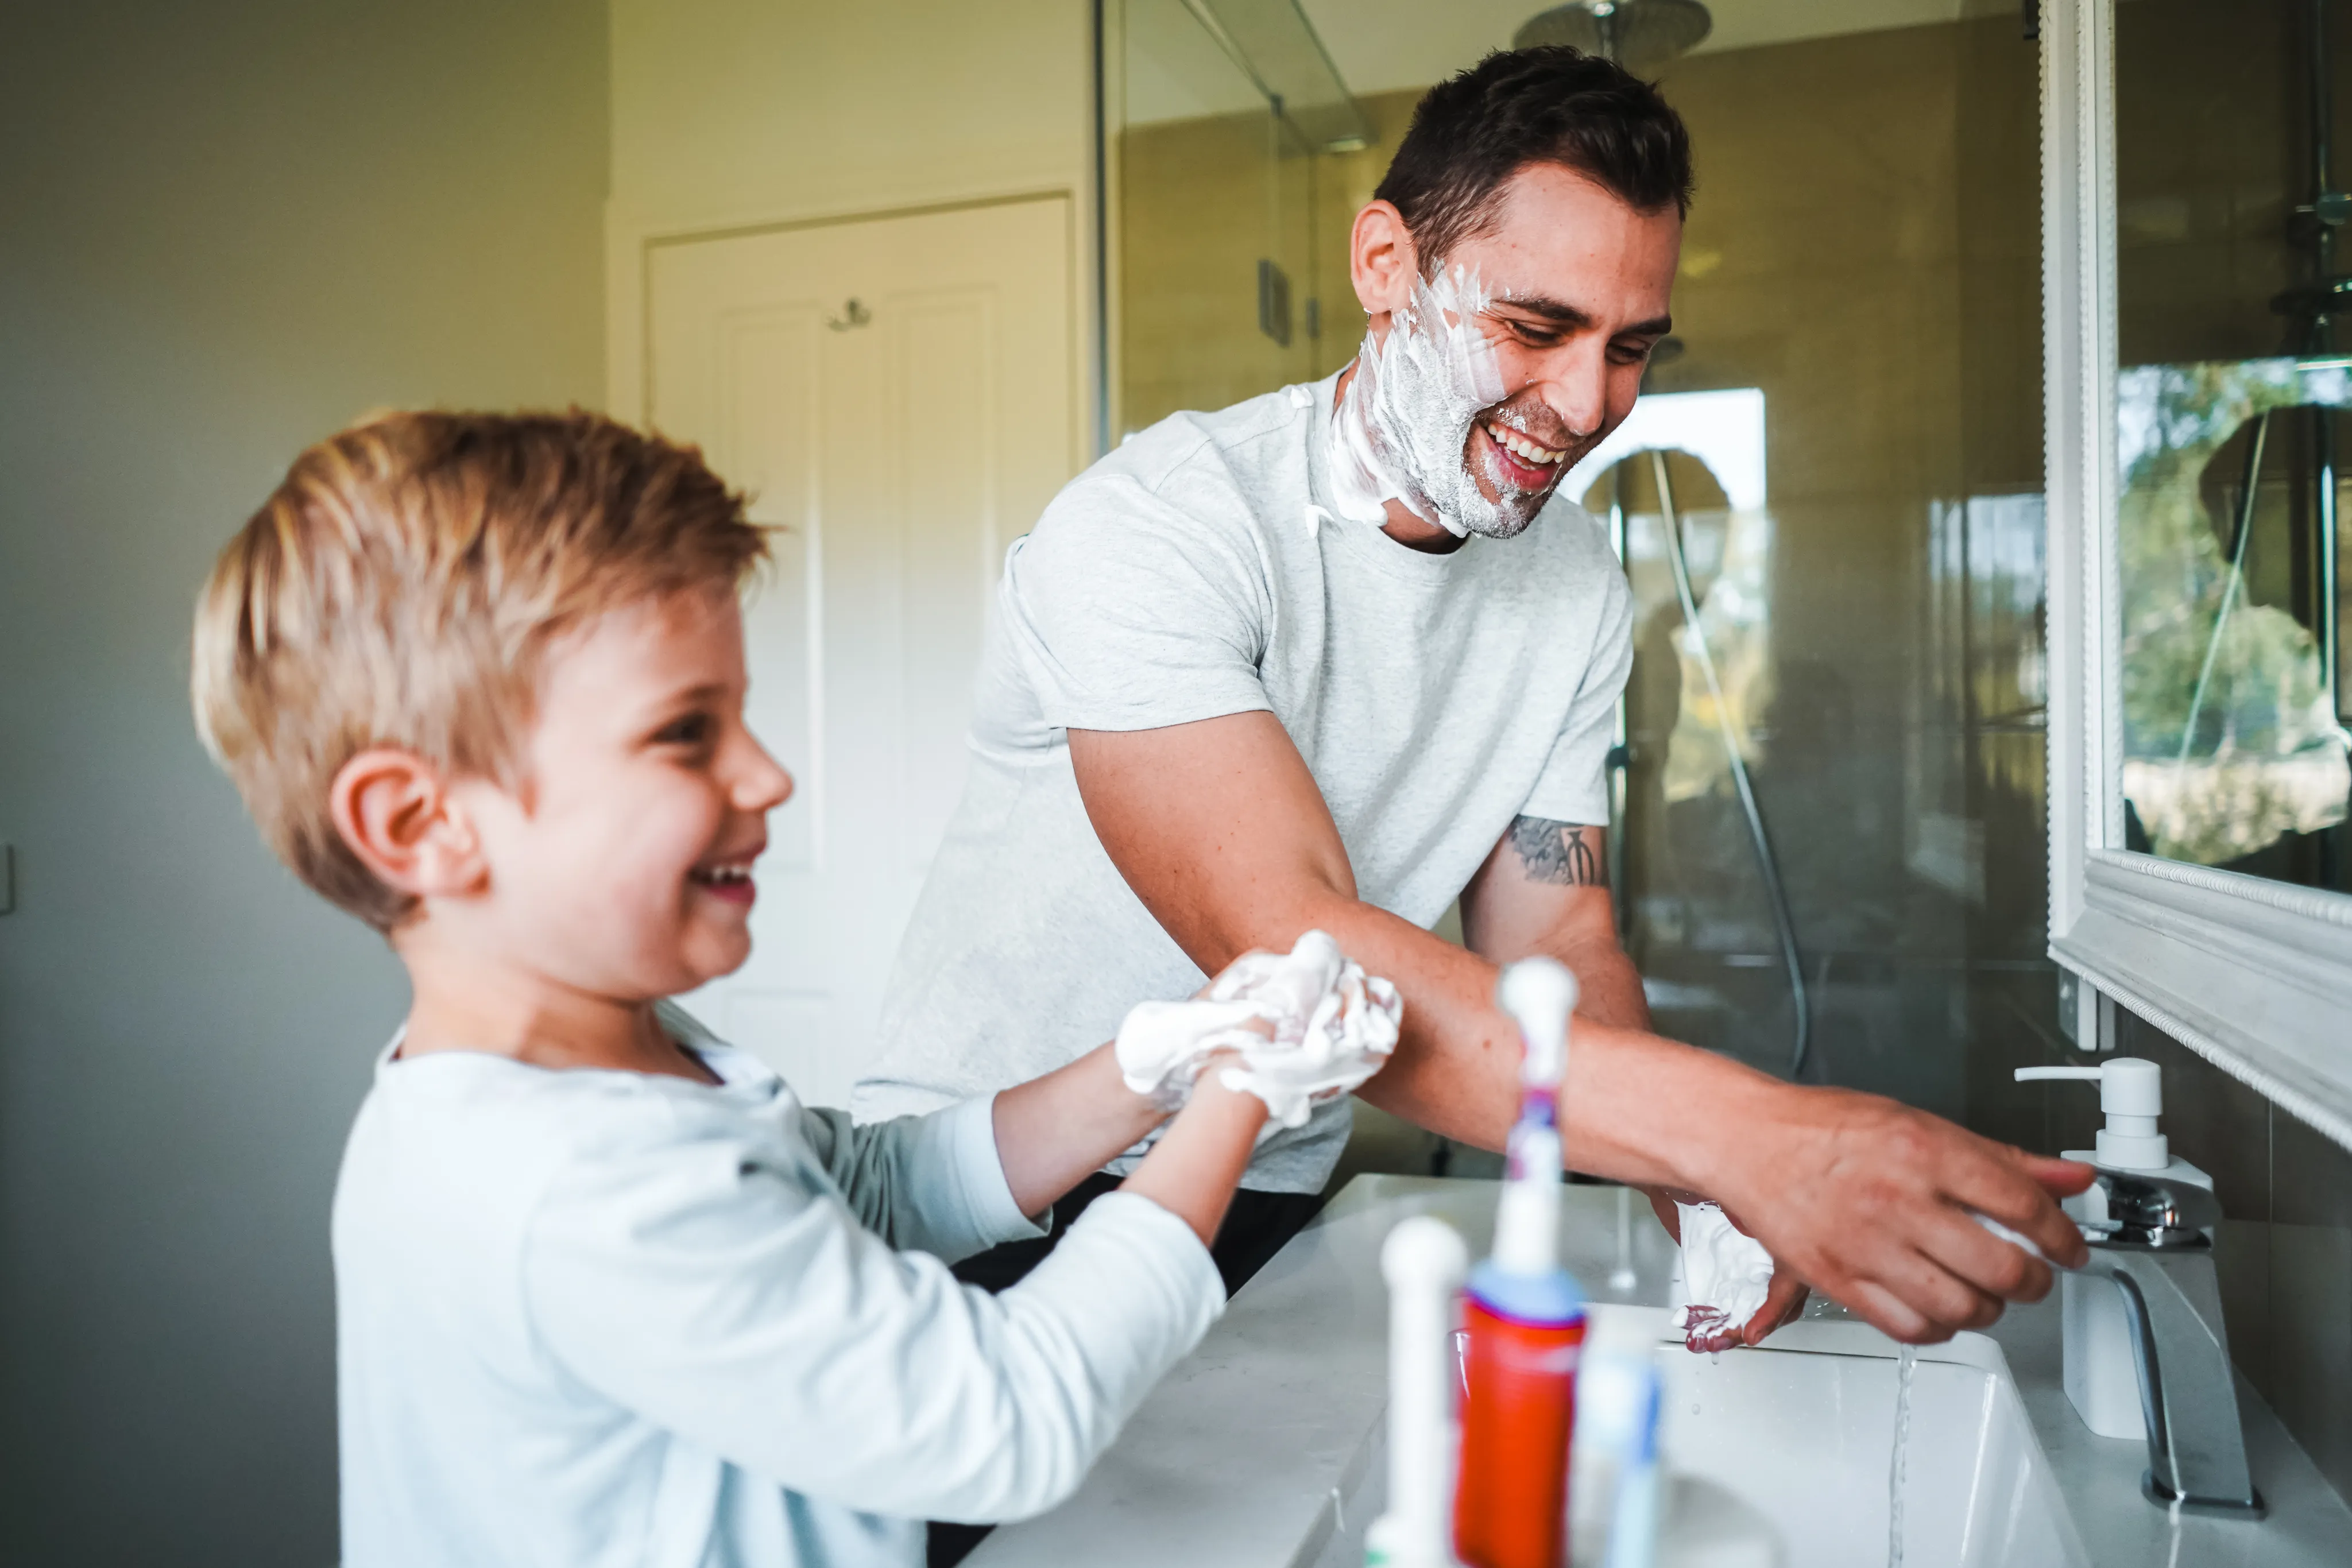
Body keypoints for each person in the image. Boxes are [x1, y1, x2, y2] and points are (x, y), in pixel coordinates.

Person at [854, 45, 2091, 1339]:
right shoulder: (1157, 530)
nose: (1583, 402)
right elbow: (1287, 941)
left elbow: (1555, 943)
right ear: (1384, 263)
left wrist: (1692, 1182)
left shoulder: (1571, 586)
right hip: (998, 1191)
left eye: (1629, 350)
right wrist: (1750, 1135)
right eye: (1535, 327)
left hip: (1264, 1183)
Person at [188, 410, 1382, 1568]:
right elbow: (1000, 1421)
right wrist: (1241, 1094)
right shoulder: (583, 1182)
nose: (764, 774)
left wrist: (1148, 1073)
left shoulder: (606, 1052)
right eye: (683, 734)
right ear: (422, 824)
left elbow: (860, 1187)